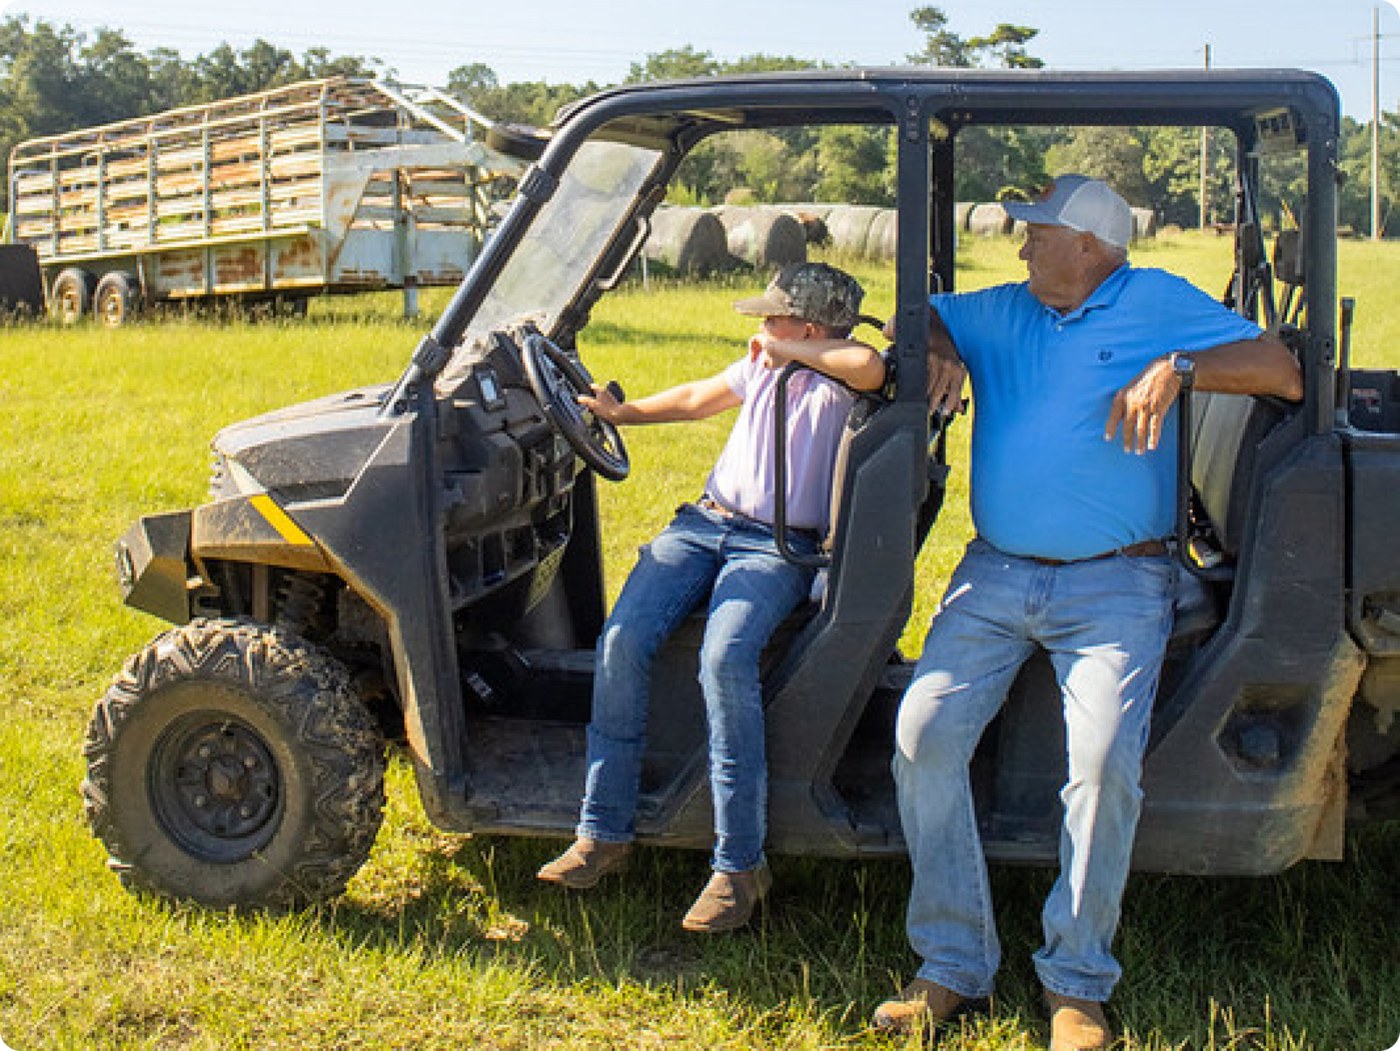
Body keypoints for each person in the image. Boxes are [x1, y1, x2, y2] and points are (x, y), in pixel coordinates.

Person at [872, 176, 1303, 1048]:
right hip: (994, 575)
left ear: (1090, 246)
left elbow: (1282, 371)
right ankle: (953, 960)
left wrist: (1181, 366)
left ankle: (1075, 978)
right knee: (921, 732)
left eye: (1037, 233)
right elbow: (914, 318)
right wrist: (938, 347)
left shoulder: (1153, 299)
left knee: (1103, 762)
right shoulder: (1005, 309)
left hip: (1117, 584)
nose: (1021, 243)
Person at [537, 262, 886, 933]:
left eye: (773, 317)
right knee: (622, 639)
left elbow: (867, 361)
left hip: (774, 547)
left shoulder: (840, 376)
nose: (761, 328)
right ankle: (602, 829)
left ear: (808, 326)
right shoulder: (762, 363)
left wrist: (789, 352)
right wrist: (623, 413)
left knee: (725, 659)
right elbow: (701, 395)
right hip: (705, 522)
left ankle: (738, 864)